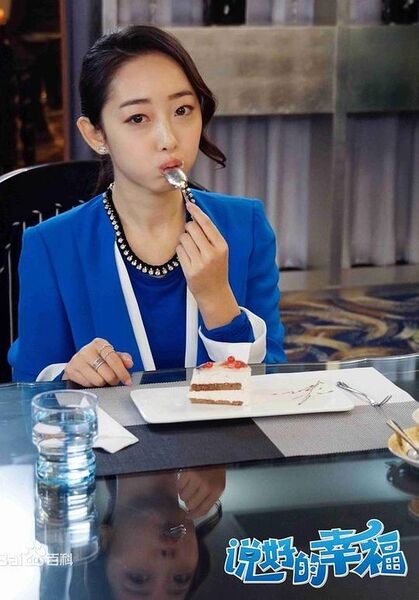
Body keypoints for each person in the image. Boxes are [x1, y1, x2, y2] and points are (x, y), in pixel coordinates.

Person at [8, 25, 286, 385]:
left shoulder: (246, 225)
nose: (168, 139)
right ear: (95, 134)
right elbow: (28, 387)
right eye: (137, 118)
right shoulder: (51, 245)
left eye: (183, 110)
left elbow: (274, 380)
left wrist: (218, 300)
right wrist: (68, 375)